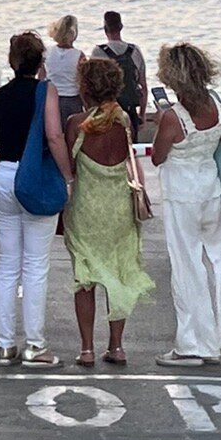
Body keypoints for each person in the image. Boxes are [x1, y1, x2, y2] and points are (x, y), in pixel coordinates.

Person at [0, 29, 73, 368]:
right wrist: (68, 176)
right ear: (41, 62)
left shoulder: (0, 95)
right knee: (36, 266)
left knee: (7, 264)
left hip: (4, 176)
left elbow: (0, 136)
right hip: (34, 178)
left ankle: (5, 344)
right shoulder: (45, 91)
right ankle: (35, 345)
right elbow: (53, 136)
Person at [64, 55, 154, 367]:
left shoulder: (76, 124)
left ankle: (87, 348)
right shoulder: (124, 122)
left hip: (86, 209)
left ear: (85, 89)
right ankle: (116, 346)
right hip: (119, 209)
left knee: (84, 279)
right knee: (119, 274)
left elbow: (70, 167)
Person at [150, 41, 221, 369]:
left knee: (186, 268)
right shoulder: (215, 104)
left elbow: (157, 156)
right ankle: (213, 339)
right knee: (213, 265)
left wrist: (160, 119)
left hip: (182, 195)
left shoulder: (173, 117)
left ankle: (190, 344)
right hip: (210, 190)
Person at [91, 11, 148, 131]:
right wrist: (142, 114)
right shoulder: (135, 51)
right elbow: (143, 86)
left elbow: (92, 86)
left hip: (107, 110)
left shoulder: (98, 53)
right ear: (121, 27)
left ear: (105, 28)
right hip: (130, 108)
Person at [45, 14, 84, 129]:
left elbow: (41, 78)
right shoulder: (78, 55)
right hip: (72, 99)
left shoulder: (47, 52)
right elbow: (81, 83)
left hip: (52, 98)